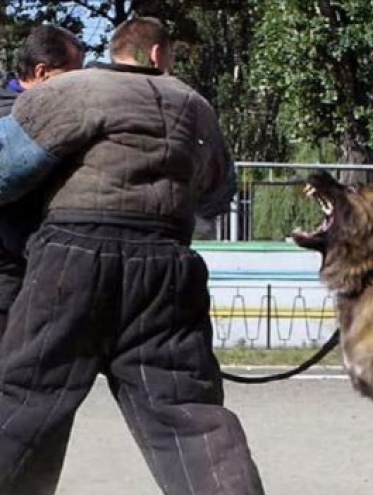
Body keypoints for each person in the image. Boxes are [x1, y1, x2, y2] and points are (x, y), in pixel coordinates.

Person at [0, 17, 264, 495]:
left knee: (27, 401)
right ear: (160, 55)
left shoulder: (72, 90)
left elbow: (5, 172)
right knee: (189, 411)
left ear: (114, 48)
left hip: (70, 259)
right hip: (166, 266)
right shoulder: (194, 104)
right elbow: (216, 195)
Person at [0, 24, 84, 495]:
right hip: (12, 279)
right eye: (74, 75)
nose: (83, 86)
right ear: (42, 73)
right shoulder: (18, 121)